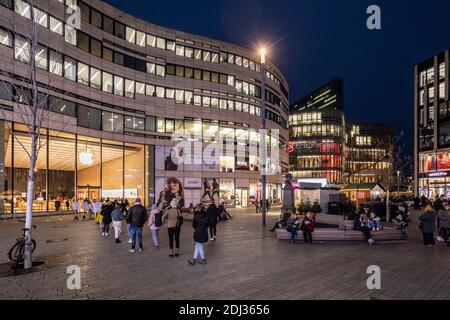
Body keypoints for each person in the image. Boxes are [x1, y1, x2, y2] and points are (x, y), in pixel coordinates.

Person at [159, 177, 185, 257]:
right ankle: (177, 252)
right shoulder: (177, 210)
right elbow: (181, 218)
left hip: (170, 226)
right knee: (177, 239)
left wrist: (164, 224)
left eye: (175, 185)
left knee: (171, 239)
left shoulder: (169, 210)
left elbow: (162, 216)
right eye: (171, 185)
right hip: (177, 226)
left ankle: (171, 252)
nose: (173, 186)